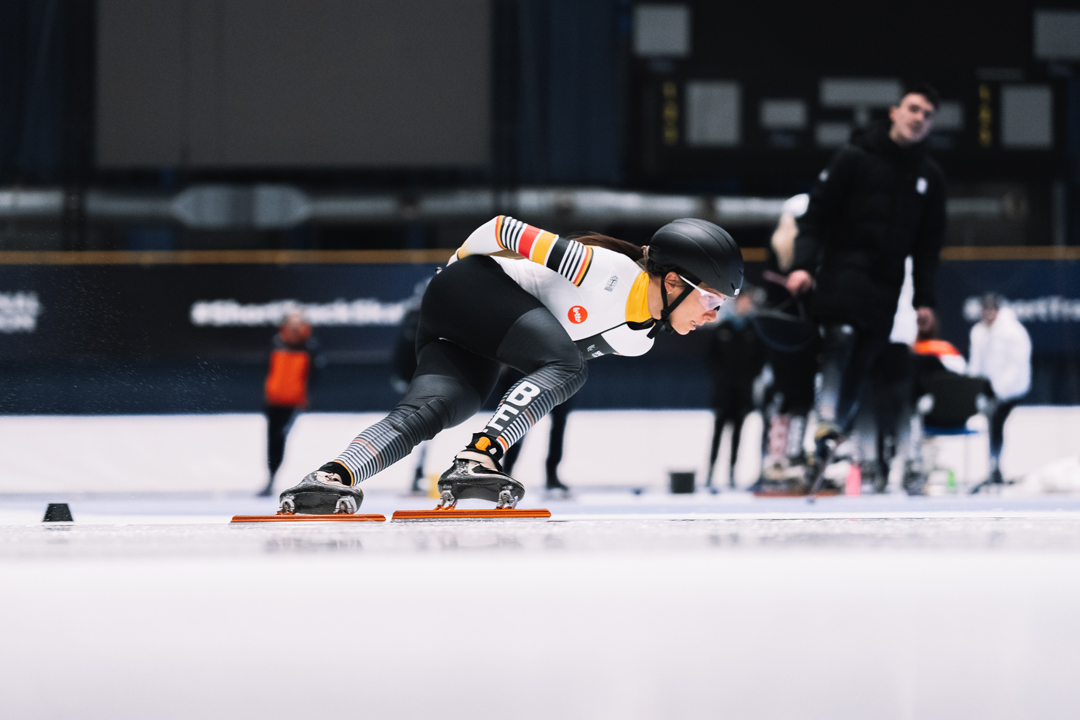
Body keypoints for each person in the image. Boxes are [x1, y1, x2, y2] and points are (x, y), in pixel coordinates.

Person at [277, 215, 744, 514]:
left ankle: (331, 477)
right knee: (569, 367)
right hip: (467, 289)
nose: (712, 314)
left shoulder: (637, 342)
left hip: (481, 333)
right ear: (672, 281)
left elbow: (543, 366)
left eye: (719, 305)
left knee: (438, 408)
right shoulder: (601, 270)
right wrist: (456, 266)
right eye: (710, 298)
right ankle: (478, 457)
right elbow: (501, 229)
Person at [783, 83, 947, 491]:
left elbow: (927, 249)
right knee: (839, 341)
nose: (919, 118)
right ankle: (826, 421)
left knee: (863, 359)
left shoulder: (929, 177)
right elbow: (816, 216)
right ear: (894, 111)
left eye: (927, 114)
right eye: (913, 109)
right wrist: (802, 266)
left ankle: (832, 434)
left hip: (886, 286)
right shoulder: (854, 158)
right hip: (843, 272)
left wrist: (924, 300)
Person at [967, 293, 1031, 488]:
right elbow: (976, 364)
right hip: (989, 389)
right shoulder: (978, 332)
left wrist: (1000, 391)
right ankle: (993, 468)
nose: (986, 314)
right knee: (992, 425)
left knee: (997, 422)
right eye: (984, 310)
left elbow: (1017, 365)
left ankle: (996, 467)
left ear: (997, 310)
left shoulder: (1013, 331)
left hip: (1010, 390)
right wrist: (975, 389)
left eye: (990, 310)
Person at [705, 287, 765, 491]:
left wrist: (747, 379)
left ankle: (732, 473)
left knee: (737, 434)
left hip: (742, 392)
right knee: (718, 433)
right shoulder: (724, 329)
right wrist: (722, 378)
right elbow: (711, 358)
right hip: (723, 392)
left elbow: (760, 360)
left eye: (749, 301)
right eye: (743, 301)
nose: (746, 304)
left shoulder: (753, 331)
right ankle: (710, 473)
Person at [259, 311, 323, 496]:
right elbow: (268, 370)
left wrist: (306, 398)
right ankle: (270, 477)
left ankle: (273, 477)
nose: (295, 327)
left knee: (280, 436)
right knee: (272, 438)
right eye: (292, 322)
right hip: (274, 399)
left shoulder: (310, 346)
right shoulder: (275, 343)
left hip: (294, 401)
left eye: (299, 322)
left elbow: (313, 376)